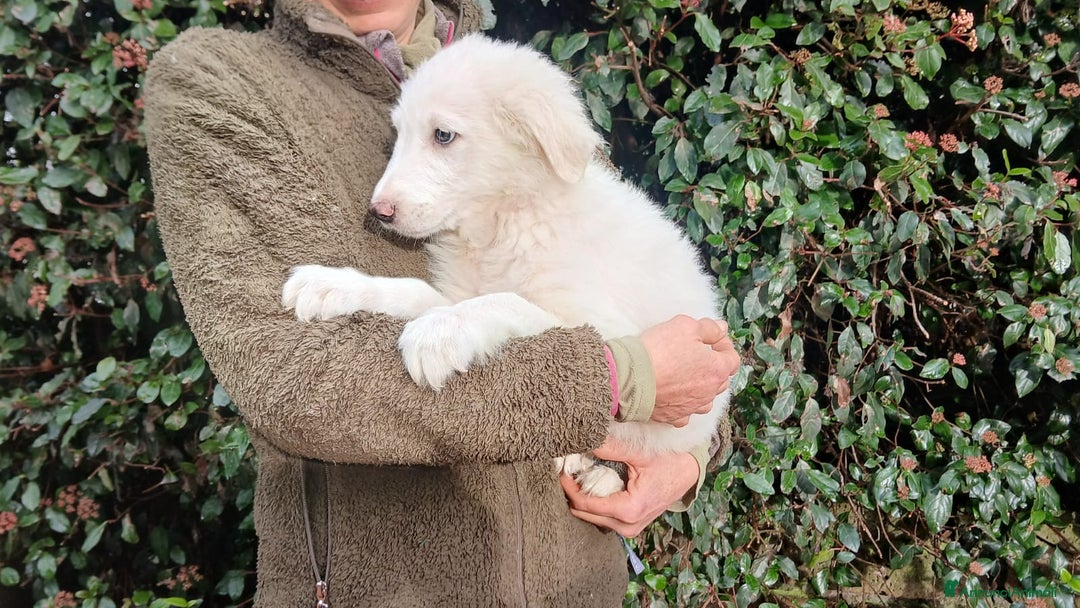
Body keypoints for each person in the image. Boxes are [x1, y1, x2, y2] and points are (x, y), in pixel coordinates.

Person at [143, 0, 739, 605]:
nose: (383, 196)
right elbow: (298, 382)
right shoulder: (221, 81)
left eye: (443, 136)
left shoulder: (502, 76)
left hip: (578, 585)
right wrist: (616, 378)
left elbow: (684, 357)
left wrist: (685, 461)